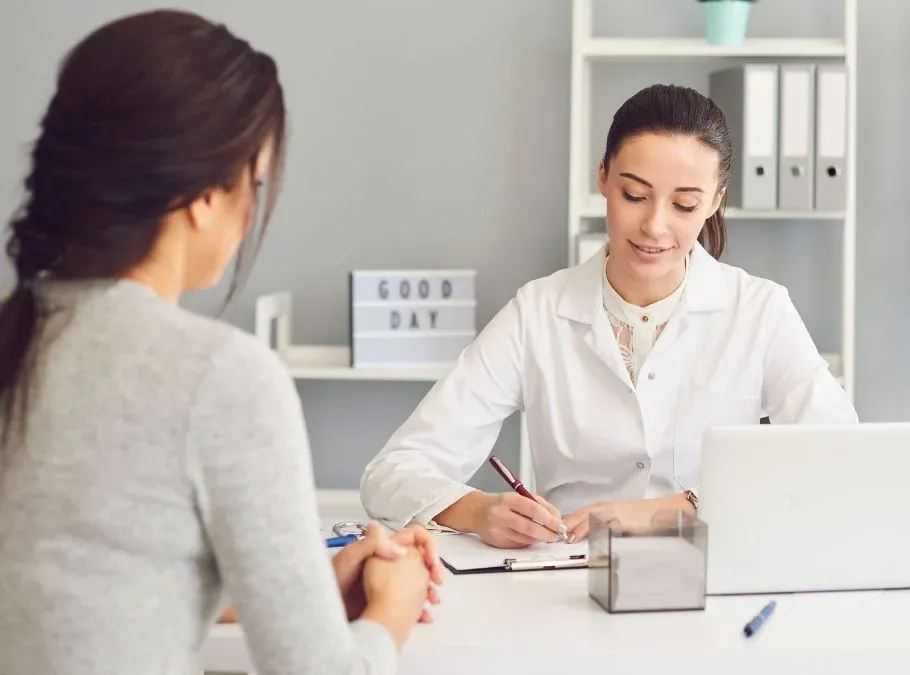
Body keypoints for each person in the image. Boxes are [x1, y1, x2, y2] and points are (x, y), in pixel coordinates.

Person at [0, 10, 442, 675]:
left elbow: (81, 598)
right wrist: (393, 611)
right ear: (205, 195)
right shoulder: (217, 376)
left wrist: (306, 586)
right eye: (253, 183)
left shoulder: (19, 338)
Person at [359, 83, 858, 549]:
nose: (655, 226)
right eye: (634, 195)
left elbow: (840, 458)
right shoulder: (537, 313)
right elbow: (393, 471)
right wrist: (477, 510)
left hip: (715, 575)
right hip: (568, 580)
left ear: (714, 203)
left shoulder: (760, 311)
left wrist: (673, 510)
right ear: (603, 177)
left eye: (685, 205)